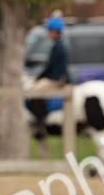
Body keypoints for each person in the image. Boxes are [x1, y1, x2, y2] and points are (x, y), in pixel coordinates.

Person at [25, 14, 71, 144]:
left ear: (55, 31)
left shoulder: (59, 47)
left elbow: (53, 67)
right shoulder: (57, 45)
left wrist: (42, 77)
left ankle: (40, 118)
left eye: (49, 31)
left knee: (34, 92)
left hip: (56, 78)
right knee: (36, 86)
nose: (48, 34)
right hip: (54, 76)